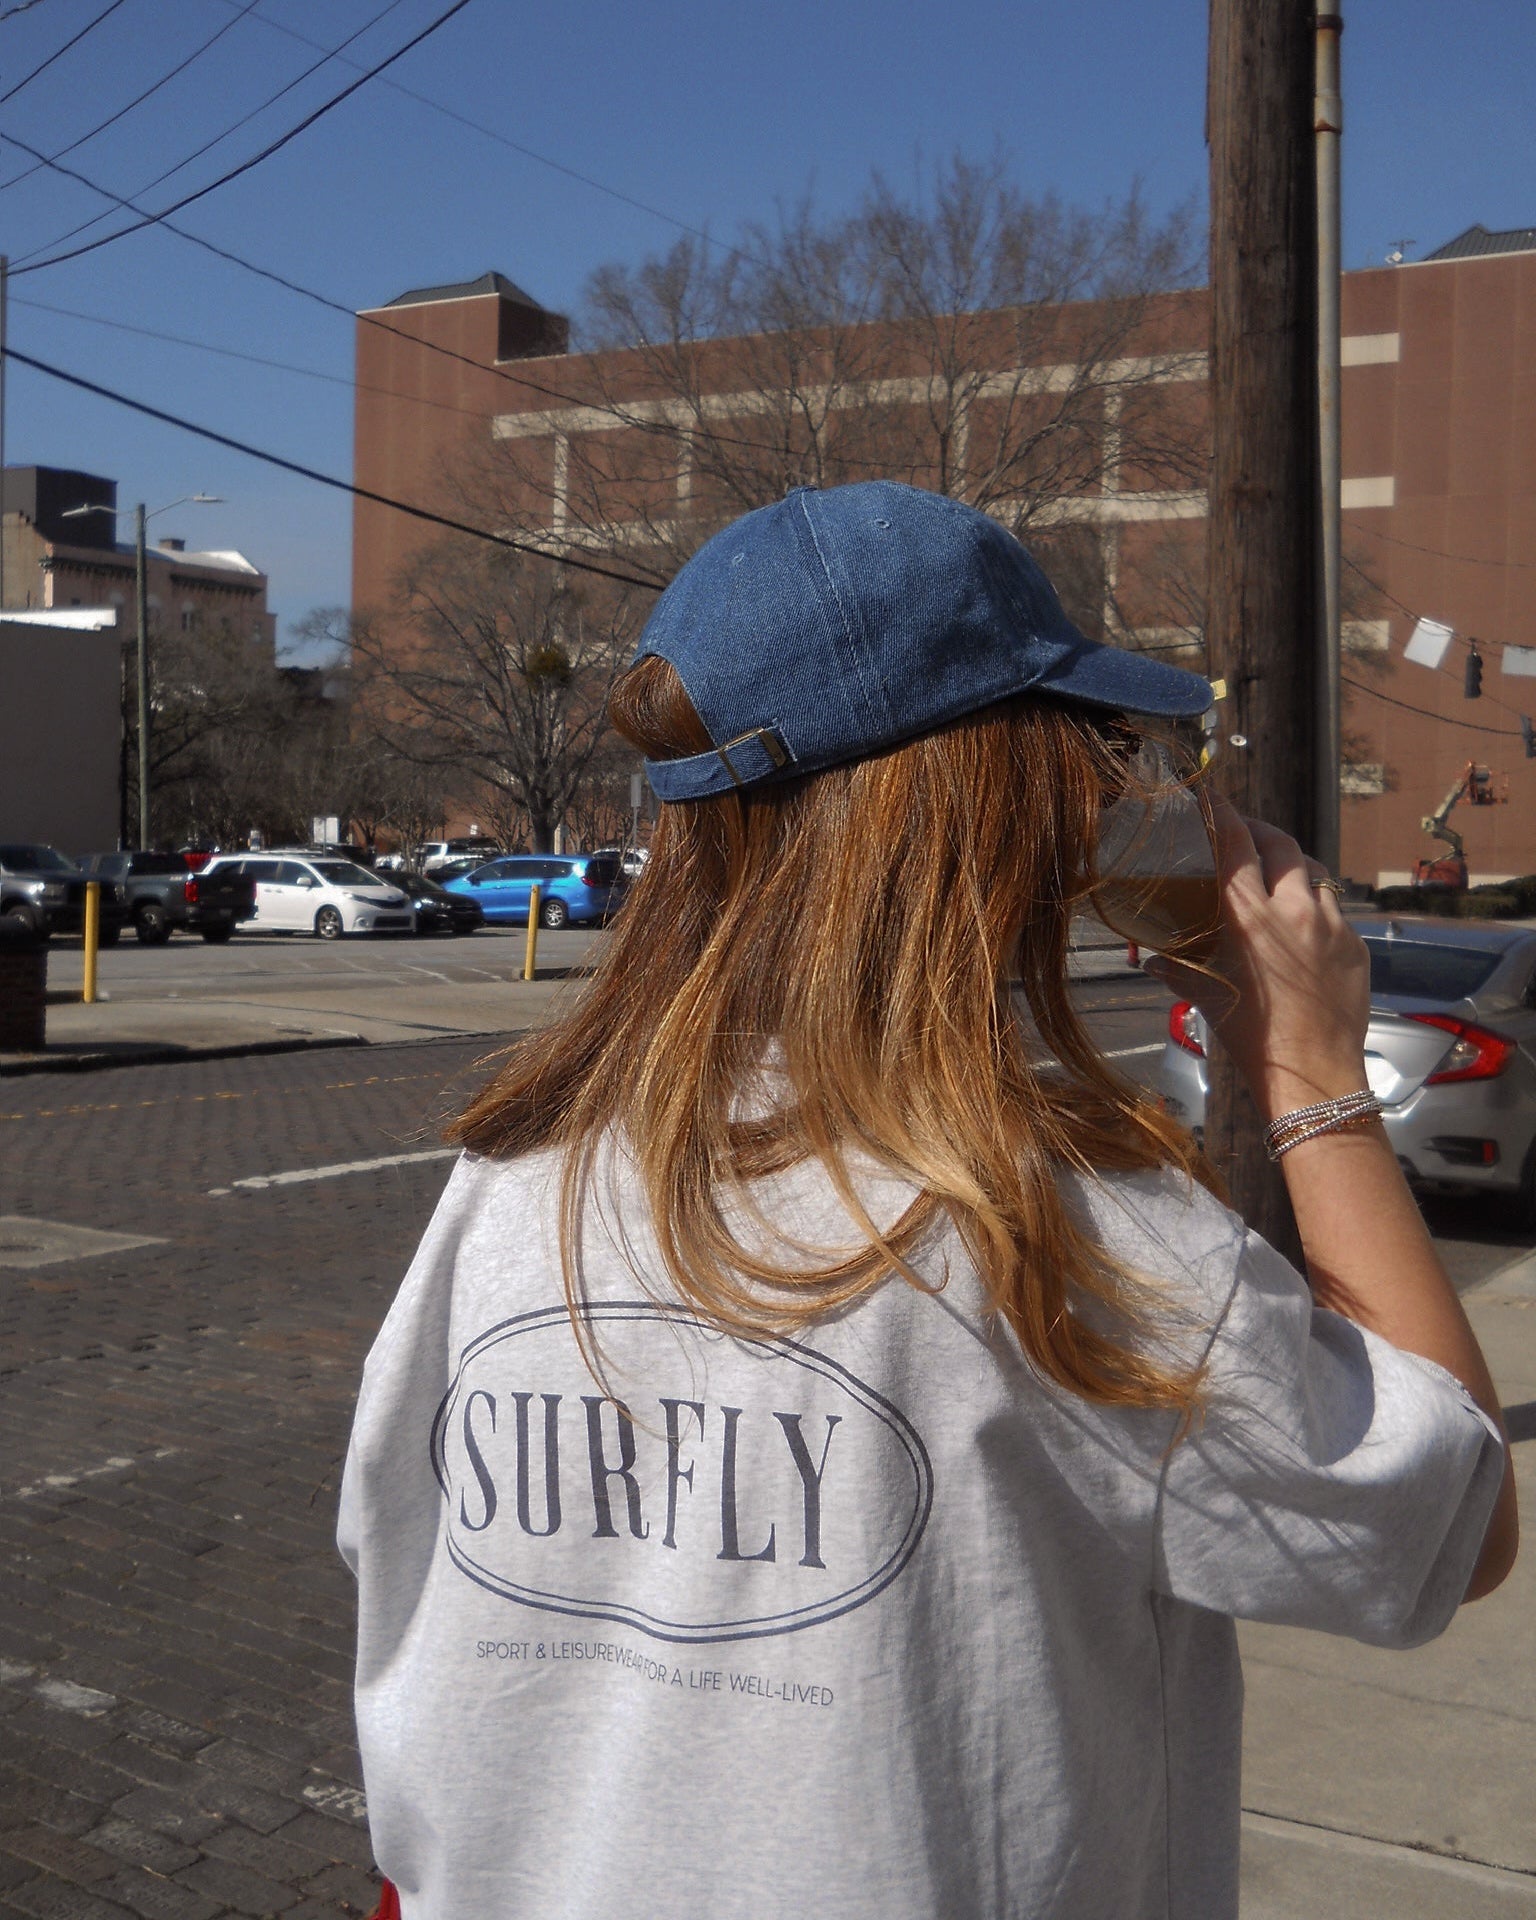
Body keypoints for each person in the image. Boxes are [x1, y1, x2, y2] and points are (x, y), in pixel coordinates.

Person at [339, 481, 1516, 1920]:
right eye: (1096, 751)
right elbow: (1448, 1528)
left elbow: (395, 1570)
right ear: (1006, 799)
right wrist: (1312, 1072)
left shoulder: (513, 1176)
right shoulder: (1068, 1226)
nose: (1115, 788)